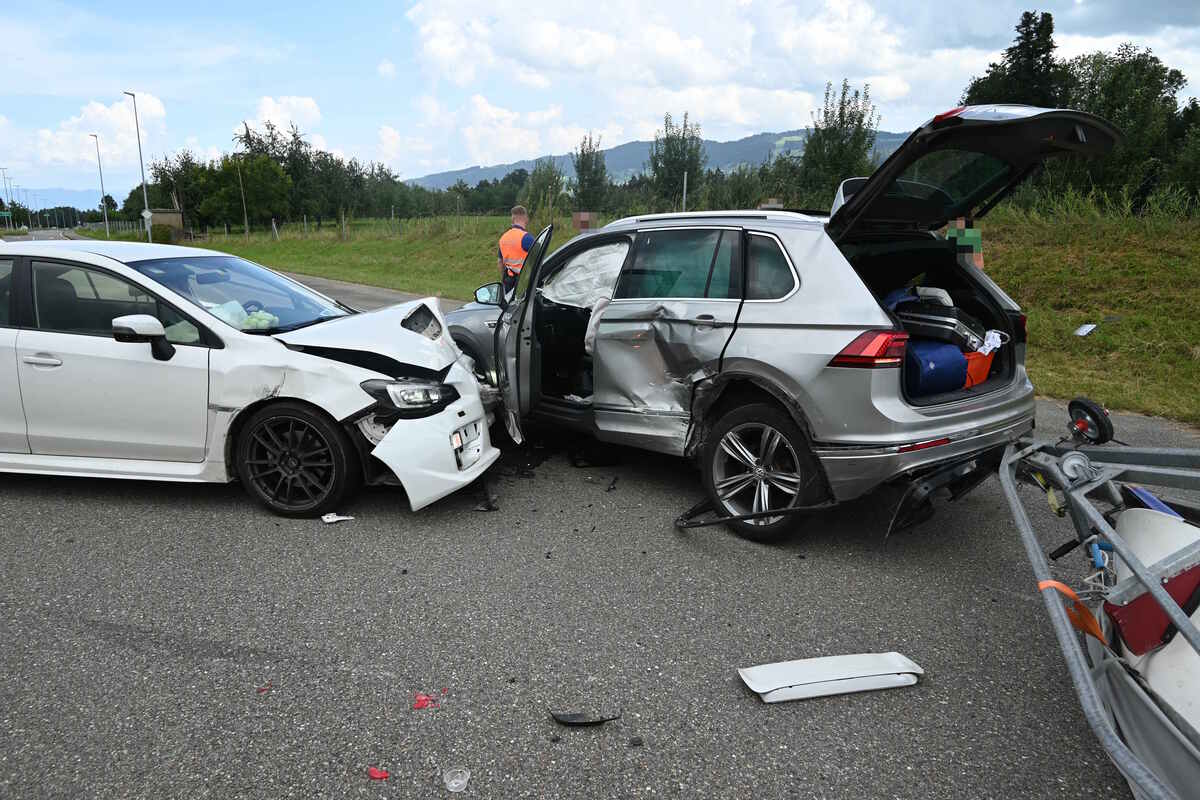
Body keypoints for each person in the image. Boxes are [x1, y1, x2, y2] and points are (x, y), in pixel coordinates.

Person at [498, 205, 535, 296]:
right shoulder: (527, 238)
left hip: (508, 282)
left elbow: (500, 262)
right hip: (523, 283)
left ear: (512, 218)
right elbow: (536, 261)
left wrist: (504, 278)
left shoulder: (503, 238)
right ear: (526, 218)